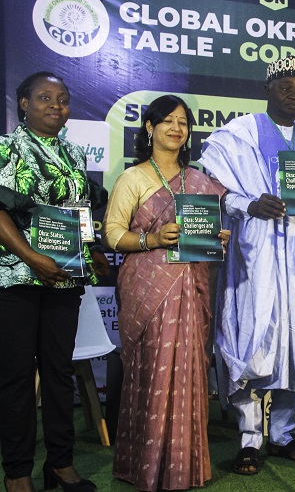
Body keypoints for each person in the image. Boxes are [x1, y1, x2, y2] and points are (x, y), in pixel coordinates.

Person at [199, 55, 295, 474]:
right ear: (267, 90)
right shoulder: (237, 134)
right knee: (253, 342)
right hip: (256, 257)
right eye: (285, 87)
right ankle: (249, 438)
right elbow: (214, 190)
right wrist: (249, 204)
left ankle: (282, 434)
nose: (294, 94)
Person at [102, 95, 229, 491]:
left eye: (183, 122)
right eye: (168, 121)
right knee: (152, 370)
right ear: (149, 127)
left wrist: (214, 238)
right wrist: (152, 239)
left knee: (189, 369)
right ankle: (145, 465)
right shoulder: (134, 178)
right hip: (149, 290)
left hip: (191, 289)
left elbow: (205, 235)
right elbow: (112, 233)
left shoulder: (199, 181)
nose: (177, 128)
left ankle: (183, 467)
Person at [0, 72, 97, 492]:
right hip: (17, 278)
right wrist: (32, 258)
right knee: (17, 376)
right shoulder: (6, 148)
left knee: (59, 373)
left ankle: (60, 464)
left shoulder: (74, 153)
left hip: (64, 279)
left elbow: (78, 215)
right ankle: (17, 471)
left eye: (62, 99)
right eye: (44, 98)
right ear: (23, 104)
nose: (55, 106)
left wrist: (86, 252)